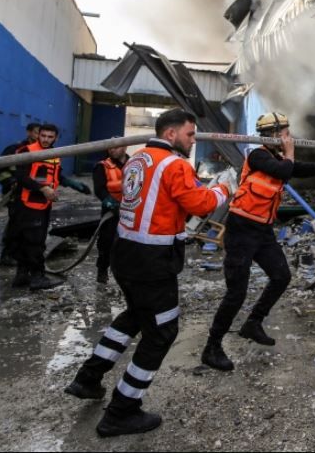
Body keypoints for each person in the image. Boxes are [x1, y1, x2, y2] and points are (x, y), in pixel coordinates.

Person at [64, 108, 234, 438]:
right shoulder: (174, 164)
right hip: (152, 260)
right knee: (162, 332)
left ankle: (88, 378)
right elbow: (201, 205)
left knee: (136, 315)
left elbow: (158, 197)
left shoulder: (138, 159)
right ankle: (121, 412)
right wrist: (224, 187)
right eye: (190, 133)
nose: (193, 139)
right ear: (171, 134)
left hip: (126, 253)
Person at [201, 112, 315, 371]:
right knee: (236, 293)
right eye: (285, 133)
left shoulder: (281, 159)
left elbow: (309, 168)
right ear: (272, 135)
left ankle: (253, 322)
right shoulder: (258, 156)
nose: (289, 137)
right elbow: (284, 169)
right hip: (241, 228)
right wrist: (290, 151)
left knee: (281, 276)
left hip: (263, 231)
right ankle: (212, 347)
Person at [11, 123, 92, 290]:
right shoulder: (27, 152)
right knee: (34, 242)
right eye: (43, 136)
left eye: (50, 137)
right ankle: (37, 277)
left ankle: (22, 276)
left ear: (56, 138)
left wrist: (72, 183)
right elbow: (21, 176)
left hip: (43, 203)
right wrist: (43, 188)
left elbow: (55, 174)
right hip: (28, 204)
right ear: (38, 135)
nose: (46, 139)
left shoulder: (54, 154)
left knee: (30, 240)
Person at [0, 122, 40, 267]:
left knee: (28, 227)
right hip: (15, 195)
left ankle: (21, 254)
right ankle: (7, 256)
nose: (39, 136)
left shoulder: (42, 152)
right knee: (15, 226)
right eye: (37, 132)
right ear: (29, 132)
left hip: (33, 195)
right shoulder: (15, 149)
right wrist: (10, 181)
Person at [92, 144, 129, 283]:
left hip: (131, 210)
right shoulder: (102, 166)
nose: (112, 150)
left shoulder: (134, 164)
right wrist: (111, 204)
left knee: (128, 242)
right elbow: (99, 190)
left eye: (116, 147)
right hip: (111, 211)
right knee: (106, 241)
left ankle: (125, 272)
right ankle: (102, 270)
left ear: (125, 148)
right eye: (110, 148)